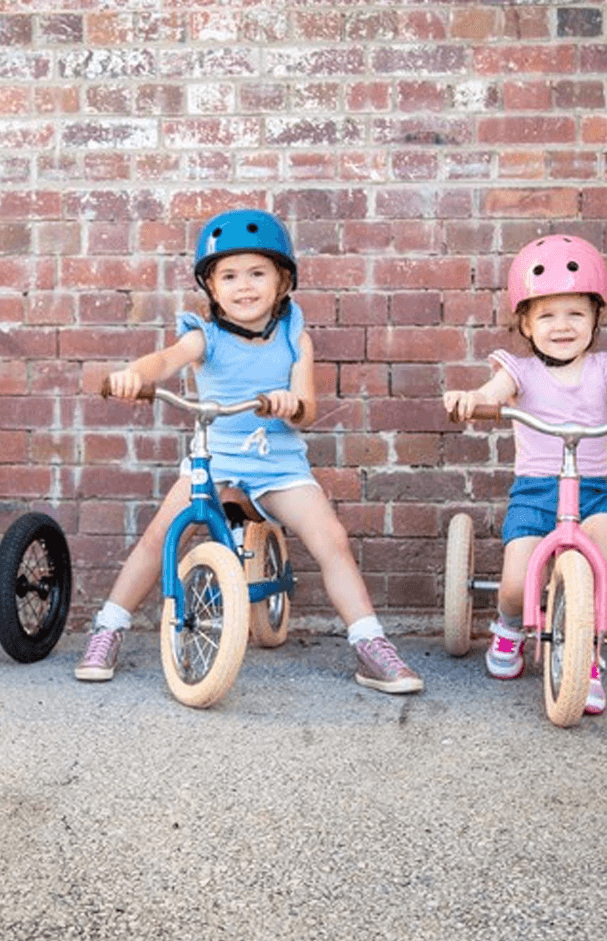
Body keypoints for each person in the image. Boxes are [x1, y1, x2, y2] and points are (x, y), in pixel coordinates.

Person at [75, 209, 423, 694]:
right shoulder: (205, 336)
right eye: (230, 276)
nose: (244, 286)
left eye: (257, 273)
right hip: (216, 460)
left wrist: (291, 405)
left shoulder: (295, 337)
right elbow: (166, 360)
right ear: (212, 288)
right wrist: (134, 375)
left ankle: (370, 642)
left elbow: (307, 408)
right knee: (160, 536)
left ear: (282, 282)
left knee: (331, 538)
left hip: (278, 464)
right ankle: (109, 627)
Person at [443, 234, 607, 713]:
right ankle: (509, 627)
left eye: (576, 314)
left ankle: (589, 651)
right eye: (547, 315)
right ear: (526, 323)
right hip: (536, 493)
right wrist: (473, 400)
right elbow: (491, 393)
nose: (562, 326)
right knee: (516, 580)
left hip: (593, 491)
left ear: (595, 319)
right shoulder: (519, 370)